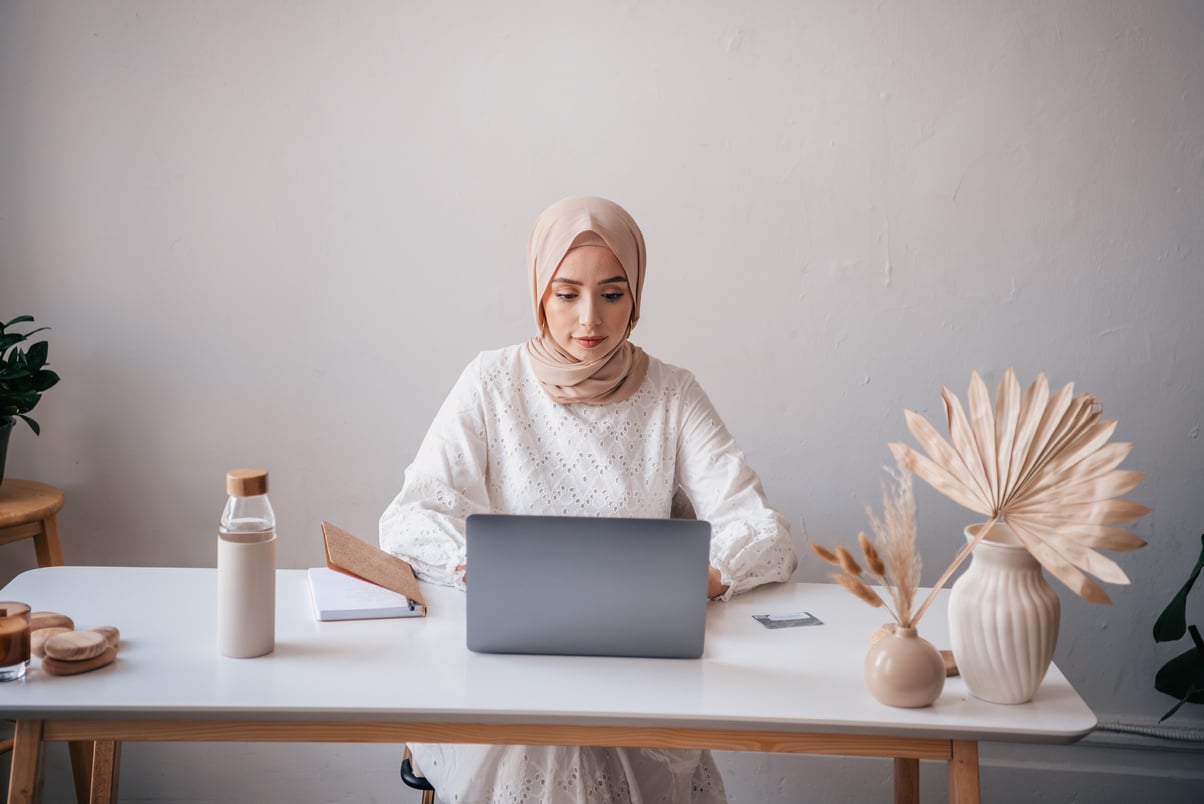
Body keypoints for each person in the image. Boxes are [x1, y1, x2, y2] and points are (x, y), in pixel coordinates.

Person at [379, 195, 797, 803]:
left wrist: (702, 579)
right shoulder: (492, 381)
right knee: (539, 738)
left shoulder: (673, 393)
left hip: (641, 663)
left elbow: (763, 529)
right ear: (539, 293)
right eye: (566, 293)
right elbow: (411, 515)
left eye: (612, 293)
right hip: (515, 664)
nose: (589, 321)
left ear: (636, 297)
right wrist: (483, 570)